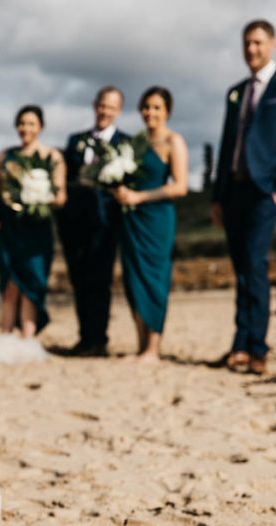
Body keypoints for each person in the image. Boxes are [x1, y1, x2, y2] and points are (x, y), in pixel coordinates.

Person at [211, 19, 276, 375]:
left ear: (272, 44)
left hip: (263, 192)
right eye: (246, 44)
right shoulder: (235, 92)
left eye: (257, 43)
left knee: (255, 265)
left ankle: (257, 347)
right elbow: (227, 145)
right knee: (241, 268)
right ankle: (239, 343)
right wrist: (217, 195)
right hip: (233, 192)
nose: (251, 50)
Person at [112, 87, 189, 363]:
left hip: (156, 220)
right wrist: (120, 191)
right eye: (146, 107)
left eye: (156, 107)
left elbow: (180, 187)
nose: (150, 112)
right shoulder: (135, 143)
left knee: (154, 281)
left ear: (167, 111)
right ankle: (140, 345)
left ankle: (153, 349)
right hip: (131, 219)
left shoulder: (173, 141)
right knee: (134, 280)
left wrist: (140, 196)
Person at [57, 86, 129, 356]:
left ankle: (99, 339)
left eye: (111, 107)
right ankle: (85, 337)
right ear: (94, 105)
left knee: (101, 281)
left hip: (107, 223)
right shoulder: (75, 140)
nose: (105, 111)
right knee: (79, 280)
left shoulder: (126, 143)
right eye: (101, 105)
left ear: (118, 111)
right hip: (74, 222)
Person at [0, 105, 66, 338]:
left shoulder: (52, 157)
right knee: (9, 282)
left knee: (32, 282)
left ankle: (28, 337)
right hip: (8, 229)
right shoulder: (5, 156)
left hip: (37, 230)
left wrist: (41, 198)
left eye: (31, 123)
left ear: (40, 126)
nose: (25, 128)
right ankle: (6, 334)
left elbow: (61, 197)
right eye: (21, 123)